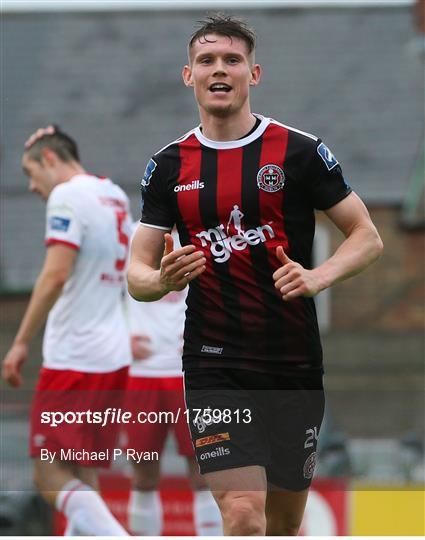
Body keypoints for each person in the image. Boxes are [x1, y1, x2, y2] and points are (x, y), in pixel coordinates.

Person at [127, 14, 383, 536]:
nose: (219, 70)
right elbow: (137, 272)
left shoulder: (300, 152)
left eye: (231, 60)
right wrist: (163, 281)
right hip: (214, 365)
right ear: (188, 75)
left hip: (293, 362)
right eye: (207, 61)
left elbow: (367, 236)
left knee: (285, 524)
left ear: (254, 73)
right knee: (243, 513)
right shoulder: (169, 165)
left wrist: (318, 276)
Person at [2, 126, 132, 536]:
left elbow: (56, 273)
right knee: (82, 474)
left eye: (30, 170)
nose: (30, 185)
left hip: (75, 358)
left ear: (50, 160)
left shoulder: (67, 195)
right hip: (114, 355)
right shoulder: (115, 195)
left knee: (47, 475)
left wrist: (20, 342)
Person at [124, 224, 223, 536]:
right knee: (142, 476)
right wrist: (118, 337)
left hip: (190, 372)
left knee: (203, 472)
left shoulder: (208, 233)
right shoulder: (133, 236)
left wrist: (209, 335)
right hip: (141, 374)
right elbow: (98, 290)